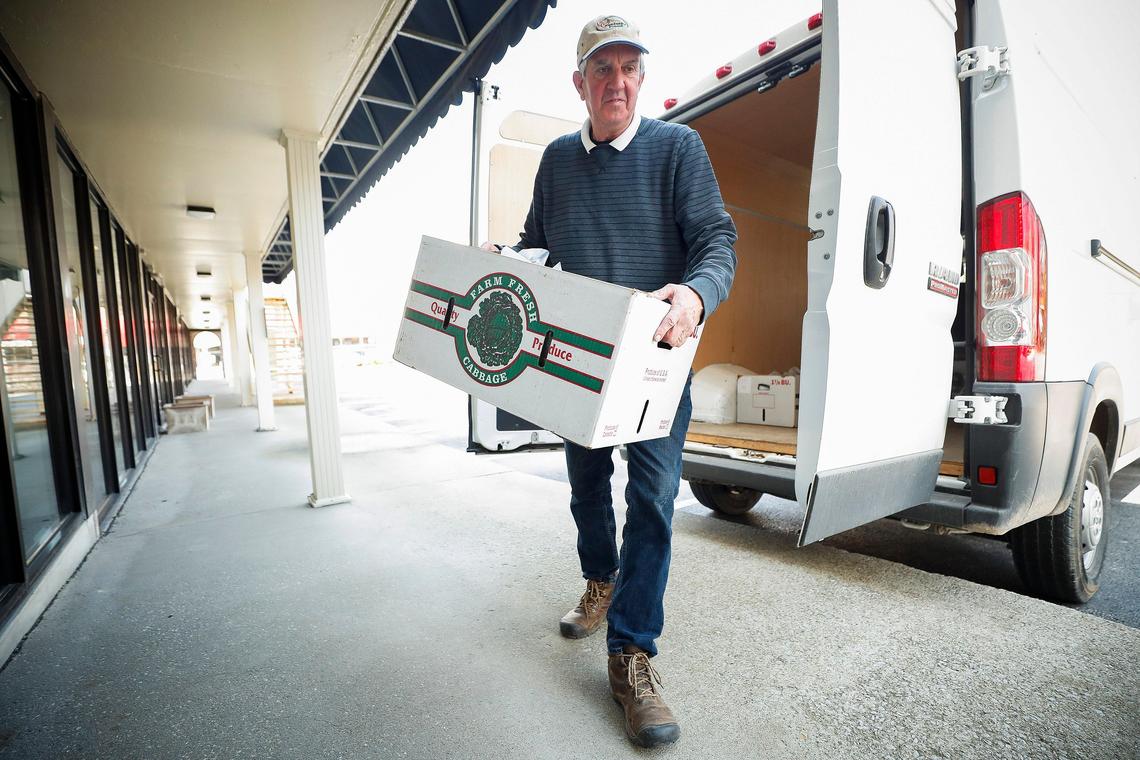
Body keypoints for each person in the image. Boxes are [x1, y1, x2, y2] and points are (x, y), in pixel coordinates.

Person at [485, 14, 736, 748]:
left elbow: (716, 240)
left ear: (642, 79)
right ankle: (600, 580)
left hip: (655, 363)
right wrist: (500, 260)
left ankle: (631, 654)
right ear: (580, 83)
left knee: (653, 499)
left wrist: (695, 295)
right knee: (586, 487)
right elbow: (541, 246)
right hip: (577, 365)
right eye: (603, 69)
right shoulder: (558, 162)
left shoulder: (677, 150)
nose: (617, 82)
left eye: (629, 68)